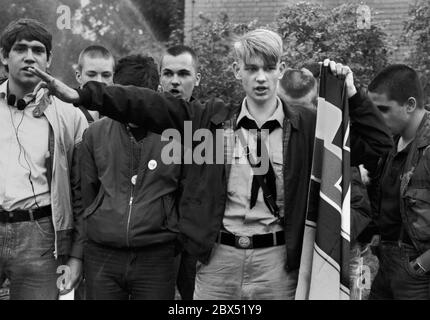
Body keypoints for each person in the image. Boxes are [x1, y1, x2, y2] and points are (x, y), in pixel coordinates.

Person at [29, 29, 392, 300]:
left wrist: (354, 94)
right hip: (218, 261)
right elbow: (146, 104)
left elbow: (377, 146)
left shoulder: (308, 126)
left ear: (281, 70)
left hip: (277, 264)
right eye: (251, 68)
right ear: (237, 71)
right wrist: (84, 95)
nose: (261, 77)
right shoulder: (211, 121)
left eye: (269, 67)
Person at [67, 54, 181, 300]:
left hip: (157, 256)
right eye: (125, 98)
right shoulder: (94, 134)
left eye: (140, 99)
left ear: (156, 93)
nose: (133, 106)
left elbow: (186, 194)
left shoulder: (178, 136)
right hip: (102, 255)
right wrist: (79, 252)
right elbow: (84, 197)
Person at [0, 18, 87, 300]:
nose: (29, 56)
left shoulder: (70, 115)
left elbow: (83, 191)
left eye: (38, 50)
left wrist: (76, 257)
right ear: (4, 56)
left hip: (40, 235)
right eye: (20, 49)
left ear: (49, 59)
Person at [366, 64, 430, 300]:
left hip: (418, 273)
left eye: (383, 109)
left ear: (410, 105)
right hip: (385, 264)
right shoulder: (388, 142)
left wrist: (421, 265)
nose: (377, 117)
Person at [159, 45, 200, 300]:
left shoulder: (210, 125)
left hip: (196, 240)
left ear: (198, 77)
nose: (175, 81)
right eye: (168, 73)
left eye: (184, 73)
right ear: (159, 77)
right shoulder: (145, 123)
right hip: (154, 238)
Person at [75, 45, 115, 124]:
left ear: (114, 77)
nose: (99, 81)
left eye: (106, 75)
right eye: (91, 75)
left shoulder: (120, 112)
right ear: (78, 76)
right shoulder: (66, 111)